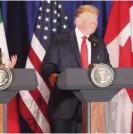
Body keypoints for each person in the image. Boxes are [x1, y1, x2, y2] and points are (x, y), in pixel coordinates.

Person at [41, 5, 110, 133]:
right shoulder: (60, 40)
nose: (96, 23)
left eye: (96, 20)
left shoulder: (99, 44)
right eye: (92, 20)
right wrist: (56, 78)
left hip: (92, 109)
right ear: (78, 21)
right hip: (63, 108)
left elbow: (107, 70)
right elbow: (47, 67)